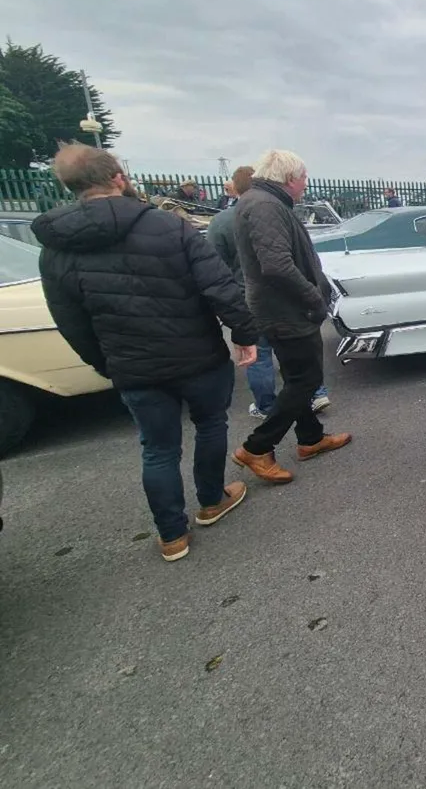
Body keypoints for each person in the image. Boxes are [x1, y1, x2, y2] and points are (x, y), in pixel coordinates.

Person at [33, 144, 258, 562]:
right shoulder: (169, 227)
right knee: (210, 424)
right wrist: (245, 333)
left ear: (70, 186)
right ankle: (211, 500)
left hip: (131, 364)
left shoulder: (56, 248)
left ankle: (172, 535)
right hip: (197, 355)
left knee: (157, 447)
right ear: (118, 176)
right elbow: (218, 286)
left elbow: (70, 320)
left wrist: (104, 362)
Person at [231, 149, 350, 484]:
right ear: (289, 178)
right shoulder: (266, 206)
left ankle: (310, 439)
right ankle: (257, 447)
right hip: (286, 310)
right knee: (306, 380)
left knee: (299, 375)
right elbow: (276, 265)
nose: (305, 184)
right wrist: (314, 296)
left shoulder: (260, 201)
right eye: (304, 177)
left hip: (280, 308)